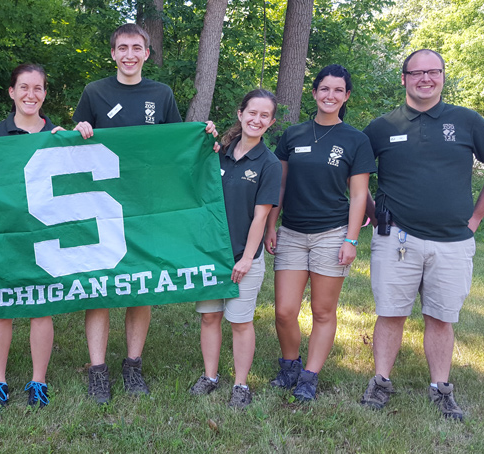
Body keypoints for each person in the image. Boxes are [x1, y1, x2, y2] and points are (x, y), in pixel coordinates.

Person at [359, 49, 484, 420]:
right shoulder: (382, 127)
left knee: (441, 318)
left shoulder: (466, 120)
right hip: (396, 240)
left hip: (453, 241)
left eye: (433, 72)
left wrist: (474, 219)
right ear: (404, 78)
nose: (425, 79)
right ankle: (380, 382)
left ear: (443, 76)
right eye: (416, 73)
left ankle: (441, 388)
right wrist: (373, 216)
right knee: (391, 313)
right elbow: (355, 176)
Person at [71, 23, 184, 404]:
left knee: (141, 285)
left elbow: (175, 147)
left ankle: (132, 366)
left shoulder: (162, 94)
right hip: (102, 205)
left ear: (147, 53)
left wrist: (203, 138)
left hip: (146, 207)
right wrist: (80, 128)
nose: (130, 54)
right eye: (122, 47)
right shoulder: (95, 92)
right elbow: (74, 142)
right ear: (114, 53)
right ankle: (98, 371)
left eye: (137, 47)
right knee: (100, 287)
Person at [263, 64, 375, 402]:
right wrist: (272, 224)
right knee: (284, 311)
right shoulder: (293, 135)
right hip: (292, 233)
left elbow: (359, 195)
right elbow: (279, 184)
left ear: (346, 96)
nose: (330, 95)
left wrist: (351, 239)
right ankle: (290, 366)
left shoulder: (356, 140)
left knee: (323, 312)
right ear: (313, 93)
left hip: (332, 232)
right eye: (324, 89)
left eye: (338, 90)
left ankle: (310, 376)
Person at [0, 63, 67, 413]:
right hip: (5, 232)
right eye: (24, 87)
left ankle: (38, 380)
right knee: (1, 307)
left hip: (45, 232)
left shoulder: (58, 133)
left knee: (41, 305)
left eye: (38, 88)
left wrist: (78, 134)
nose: (31, 95)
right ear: (12, 92)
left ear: (45, 93)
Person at [188, 89, 282, 409]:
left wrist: (245, 258)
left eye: (264, 116)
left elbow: (261, 216)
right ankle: (210, 376)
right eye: (251, 113)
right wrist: (204, 139)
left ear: (270, 122)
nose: (256, 119)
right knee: (210, 318)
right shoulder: (221, 152)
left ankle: (241, 385)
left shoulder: (269, 164)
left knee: (240, 322)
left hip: (245, 258)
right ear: (240, 114)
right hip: (213, 255)